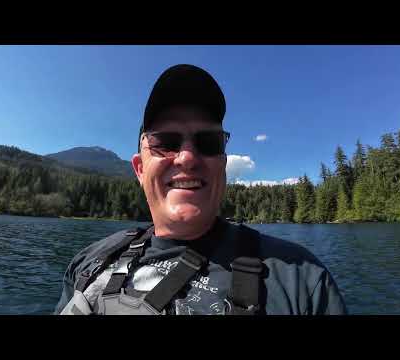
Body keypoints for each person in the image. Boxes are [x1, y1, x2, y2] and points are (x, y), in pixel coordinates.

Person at [54, 64, 347, 315]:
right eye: (166, 142)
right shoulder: (87, 263)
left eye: (208, 143)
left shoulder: (302, 279)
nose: (187, 157)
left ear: (223, 164)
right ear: (140, 170)